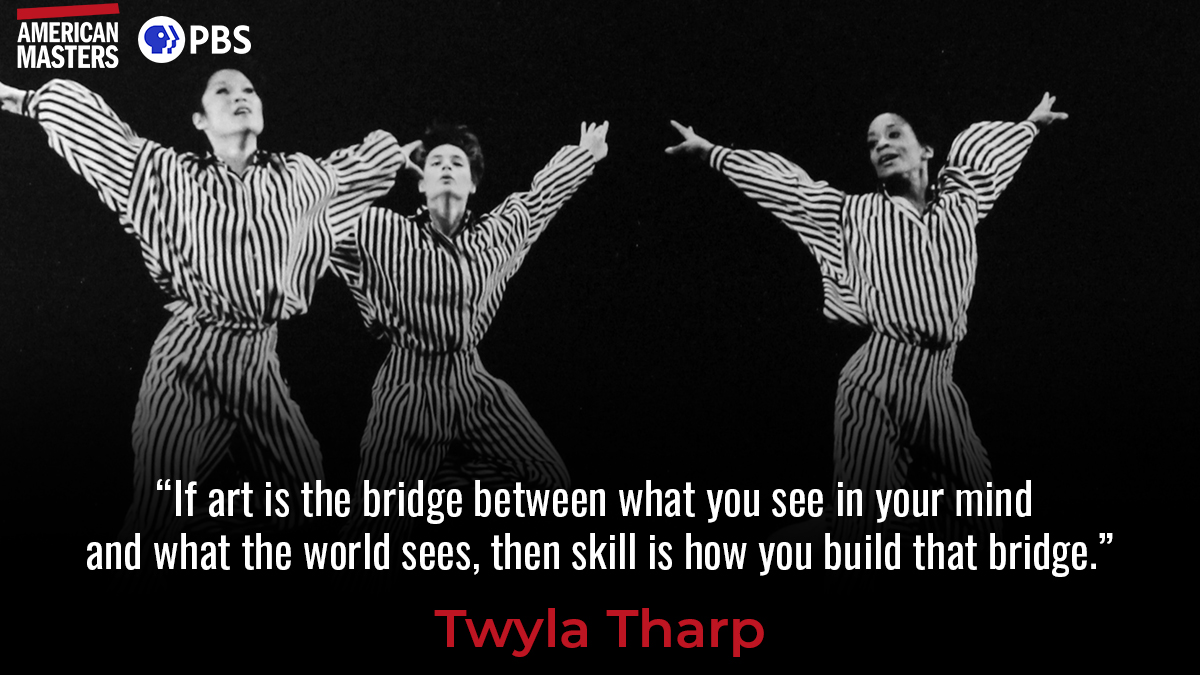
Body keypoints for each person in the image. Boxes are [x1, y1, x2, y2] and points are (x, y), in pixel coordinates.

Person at [0, 68, 409, 541]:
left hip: (258, 364)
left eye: (250, 90)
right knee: (160, 512)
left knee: (309, 495)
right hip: (190, 359)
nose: (241, 98)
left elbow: (357, 170)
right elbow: (104, 138)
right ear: (199, 120)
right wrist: (26, 100)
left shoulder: (301, 180)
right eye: (224, 91)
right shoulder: (168, 178)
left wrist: (399, 153)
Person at [667, 95, 1067, 543]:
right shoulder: (851, 215)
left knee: (981, 519)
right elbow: (789, 189)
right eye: (872, 141)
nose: (881, 145)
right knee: (863, 527)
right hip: (874, 384)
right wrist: (711, 152)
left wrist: (1031, 125)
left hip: (938, 387)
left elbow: (992, 156)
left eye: (894, 134)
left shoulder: (961, 200)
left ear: (927, 150)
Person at [333, 121, 609, 539]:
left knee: (552, 484)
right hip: (411, 385)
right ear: (421, 184)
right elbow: (324, 214)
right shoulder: (384, 231)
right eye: (436, 163)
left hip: (471, 381)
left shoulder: (494, 236)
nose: (445, 167)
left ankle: (444, 489)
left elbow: (540, 201)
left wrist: (586, 153)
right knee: (378, 521)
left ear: (474, 184)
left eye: (457, 162)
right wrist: (382, 161)